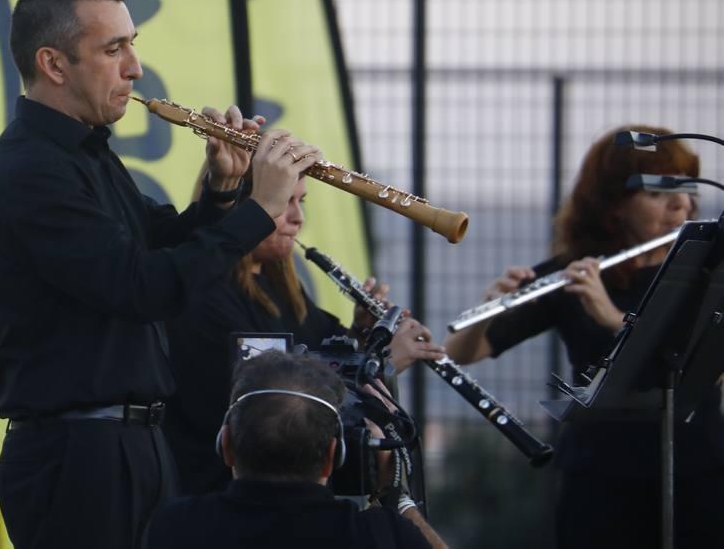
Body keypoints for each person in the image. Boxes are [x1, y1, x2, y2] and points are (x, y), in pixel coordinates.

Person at [0, 0, 322, 549]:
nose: (134, 68)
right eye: (114, 49)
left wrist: (224, 188)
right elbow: (140, 286)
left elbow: (159, 240)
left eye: (132, 45)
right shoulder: (30, 171)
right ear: (54, 65)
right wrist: (261, 208)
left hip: (131, 446)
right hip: (79, 456)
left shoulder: (88, 153)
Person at [444, 124, 719, 549]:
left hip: (694, 470)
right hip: (600, 475)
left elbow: (708, 368)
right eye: (659, 193)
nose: (681, 205)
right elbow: (462, 352)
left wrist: (612, 319)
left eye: (685, 191)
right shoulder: (579, 271)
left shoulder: (704, 272)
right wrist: (489, 307)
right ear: (613, 204)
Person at [165, 176, 446, 495]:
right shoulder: (208, 294)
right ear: (241, 207)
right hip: (222, 494)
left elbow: (330, 354)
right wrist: (383, 362)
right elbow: (272, 400)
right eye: (286, 202)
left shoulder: (282, 290)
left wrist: (366, 333)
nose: (298, 217)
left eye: (302, 201)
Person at [143, 351, 447, 549]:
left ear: (226, 444)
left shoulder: (176, 527)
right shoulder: (379, 535)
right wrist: (396, 496)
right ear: (334, 455)